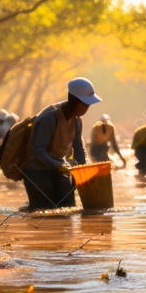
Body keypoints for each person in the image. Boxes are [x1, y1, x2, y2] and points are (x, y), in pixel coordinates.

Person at [21, 77, 98, 209]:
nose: (87, 107)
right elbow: (38, 150)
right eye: (85, 104)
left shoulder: (77, 121)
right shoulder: (50, 118)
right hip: (36, 168)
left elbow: (79, 148)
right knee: (43, 209)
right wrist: (57, 165)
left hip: (59, 166)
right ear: (74, 101)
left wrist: (83, 171)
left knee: (68, 207)